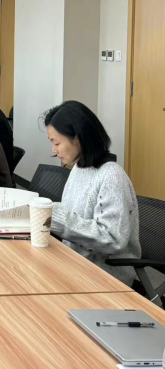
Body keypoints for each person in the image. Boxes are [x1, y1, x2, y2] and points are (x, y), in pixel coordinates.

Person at [44, 101, 140, 285]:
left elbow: (112, 239)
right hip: (74, 263)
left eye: (56, 142)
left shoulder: (111, 176)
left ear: (79, 138)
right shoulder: (79, 168)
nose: (53, 150)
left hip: (104, 275)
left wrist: (57, 218)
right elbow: (72, 215)